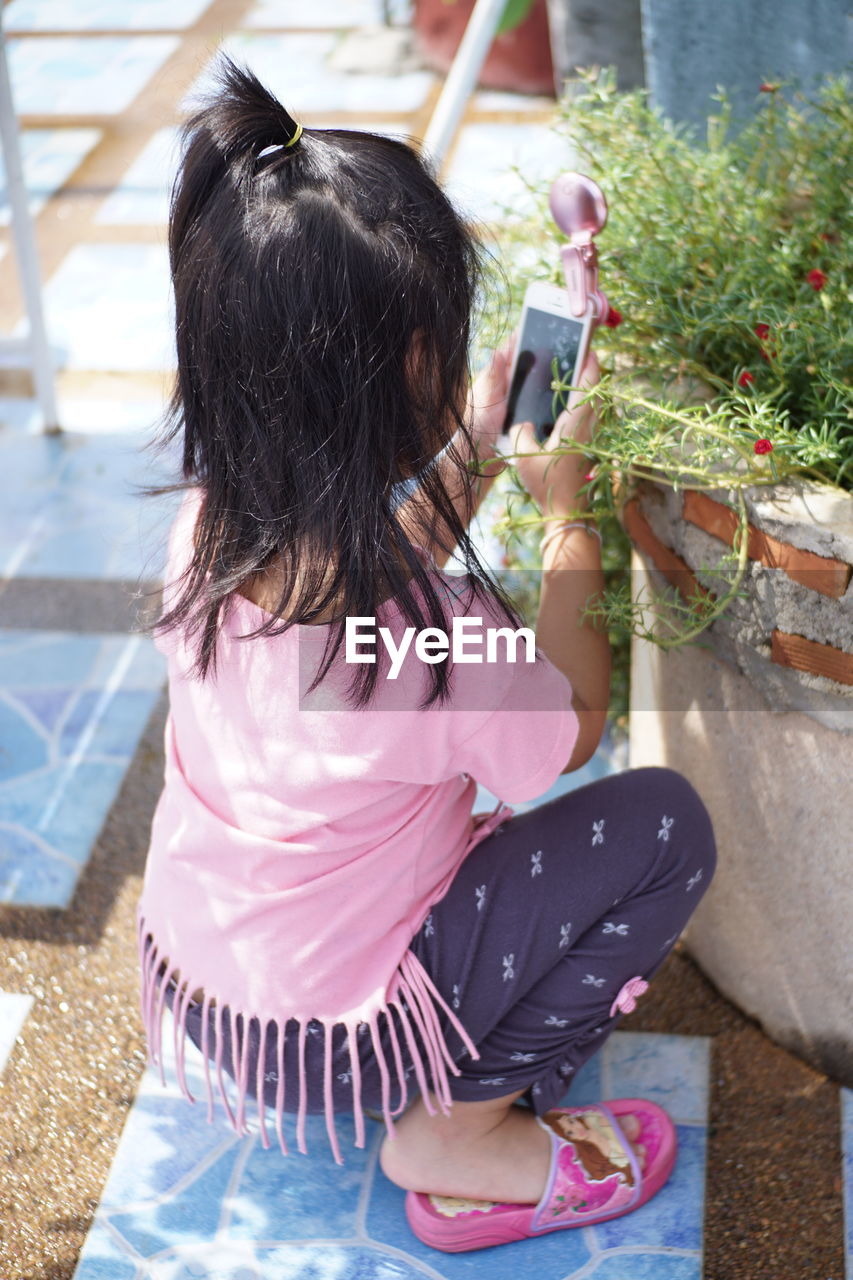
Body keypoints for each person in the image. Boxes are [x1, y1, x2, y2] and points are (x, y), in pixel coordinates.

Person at [136, 54, 717, 1253]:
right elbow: (573, 721)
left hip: (220, 992)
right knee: (662, 824)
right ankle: (457, 1130)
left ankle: (431, 1066)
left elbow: (346, 580)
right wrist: (566, 510)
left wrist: (474, 460)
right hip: (345, 1037)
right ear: (409, 370)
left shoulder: (206, 528)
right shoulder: (432, 646)